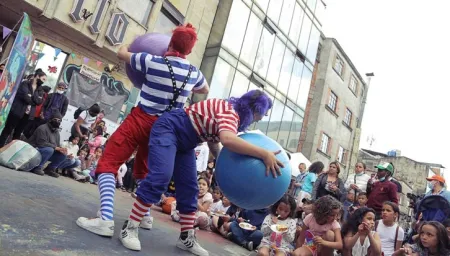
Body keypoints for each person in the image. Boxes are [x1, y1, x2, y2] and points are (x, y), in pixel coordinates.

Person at [76, 23, 210, 236]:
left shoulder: (152, 61)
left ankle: (105, 219)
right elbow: (204, 89)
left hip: (141, 120)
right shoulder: (193, 72)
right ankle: (145, 216)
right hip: (165, 129)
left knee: (108, 163)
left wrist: (133, 41)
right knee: (145, 170)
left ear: (170, 43)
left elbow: (122, 53)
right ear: (190, 50)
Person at [118, 90, 281, 255]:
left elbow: (213, 141)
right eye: (259, 115)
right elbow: (228, 140)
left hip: (187, 142)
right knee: (161, 175)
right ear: (253, 109)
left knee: (190, 188)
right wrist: (264, 153)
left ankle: (186, 237)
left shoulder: (230, 115)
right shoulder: (230, 112)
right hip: (170, 128)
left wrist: (221, 161)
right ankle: (130, 227)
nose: (257, 120)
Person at [0, 69, 46, 147]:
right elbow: (25, 96)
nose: (44, 81)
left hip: (28, 115)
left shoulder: (40, 89)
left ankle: (10, 151)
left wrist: (31, 96)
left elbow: (39, 102)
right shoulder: (25, 83)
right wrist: (33, 99)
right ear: (37, 76)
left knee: (17, 135)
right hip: (17, 112)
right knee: (7, 130)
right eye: (43, 79)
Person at [28, 111, 67, 177]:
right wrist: (55, 148)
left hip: (47, 151)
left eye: (59, 120)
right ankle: (37, 167)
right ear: (50, 120)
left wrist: (61, 150)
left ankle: (50, 169)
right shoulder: (42, 128)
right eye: (55, 119)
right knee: (49, 150)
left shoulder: (56, 132)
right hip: (34, 149)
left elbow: (57, 145)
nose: (57, 121)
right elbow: (41, 143)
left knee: (63, 155)